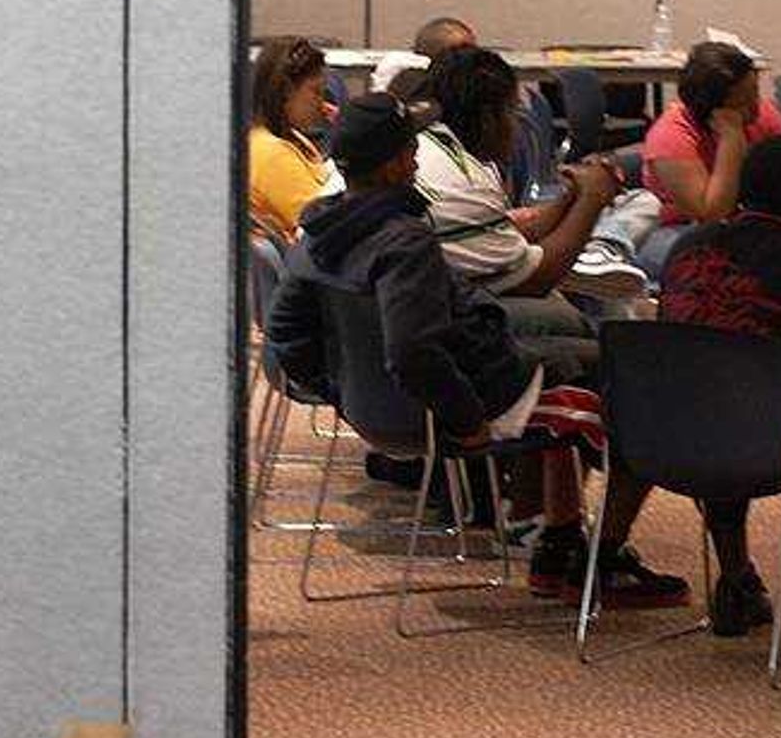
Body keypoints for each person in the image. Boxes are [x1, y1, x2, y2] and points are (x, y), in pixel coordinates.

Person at [265, 92, 688, 607]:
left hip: (386, 403)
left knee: (581, 344)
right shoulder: (402, 241)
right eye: (409, 148)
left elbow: (286, 333)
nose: (419, 156)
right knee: (630, 375)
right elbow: (413, 351)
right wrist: (465, 421)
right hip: (476, 399)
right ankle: (592, 559)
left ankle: (556, 536)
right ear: (397, 163)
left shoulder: (317, 234)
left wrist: (347, 390)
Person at [659, 134, 781, 637]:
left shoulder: (686, 249)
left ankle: (736, 577)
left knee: (717, 398)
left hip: (665, 435)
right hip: (776, 444)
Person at [416, 46, 634, 303]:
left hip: (421, 300)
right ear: (488, 119)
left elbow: (503, 233)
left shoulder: (438, 146)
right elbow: (535, 281)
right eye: (513, 111)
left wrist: (573, 196)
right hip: (445, 315)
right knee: (581, 309)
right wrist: (592, 200)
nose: (516, 125)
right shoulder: (461, 182)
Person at [638, 40, 781, 278]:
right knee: (720, 265)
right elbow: (711, 214)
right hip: (680, 230)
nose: (756, 108)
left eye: (756, 94)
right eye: (744, 102)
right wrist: (731, 141)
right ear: (712, 110)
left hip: (748, 221)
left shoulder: (762, 113)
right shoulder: (670, 137)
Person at [248, 36, 343, 239]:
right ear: (286, 91)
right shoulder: (270, 153)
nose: (323, 104)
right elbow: (328, 222)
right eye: (316, 92)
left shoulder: (297, 139)